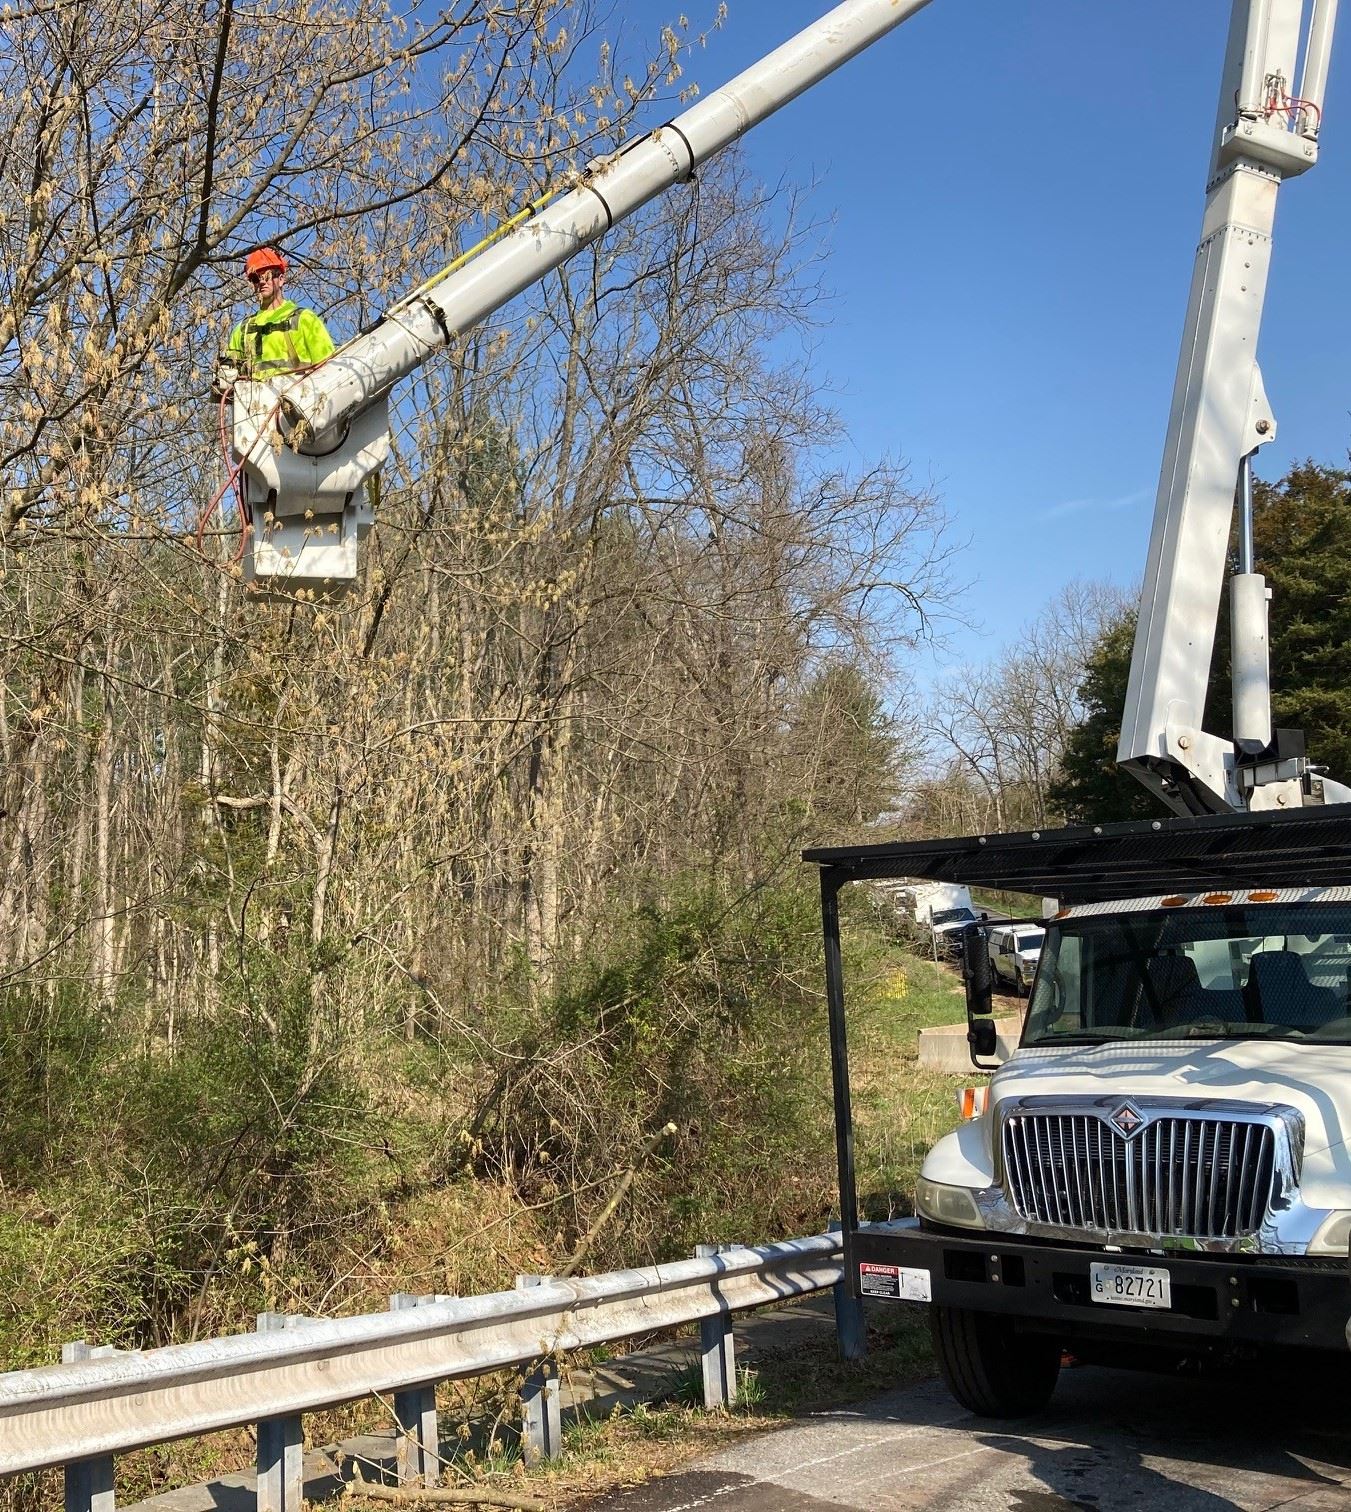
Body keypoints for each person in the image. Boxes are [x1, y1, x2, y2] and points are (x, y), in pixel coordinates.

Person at [214, 247, 335, 394]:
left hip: (300, 402)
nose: (262, 282)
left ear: (281, 279)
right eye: (256, 278)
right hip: (255, 409)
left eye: (268, 276)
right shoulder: (242, 330)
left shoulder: (305, 319)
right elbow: (228, 383)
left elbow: (329, 370)